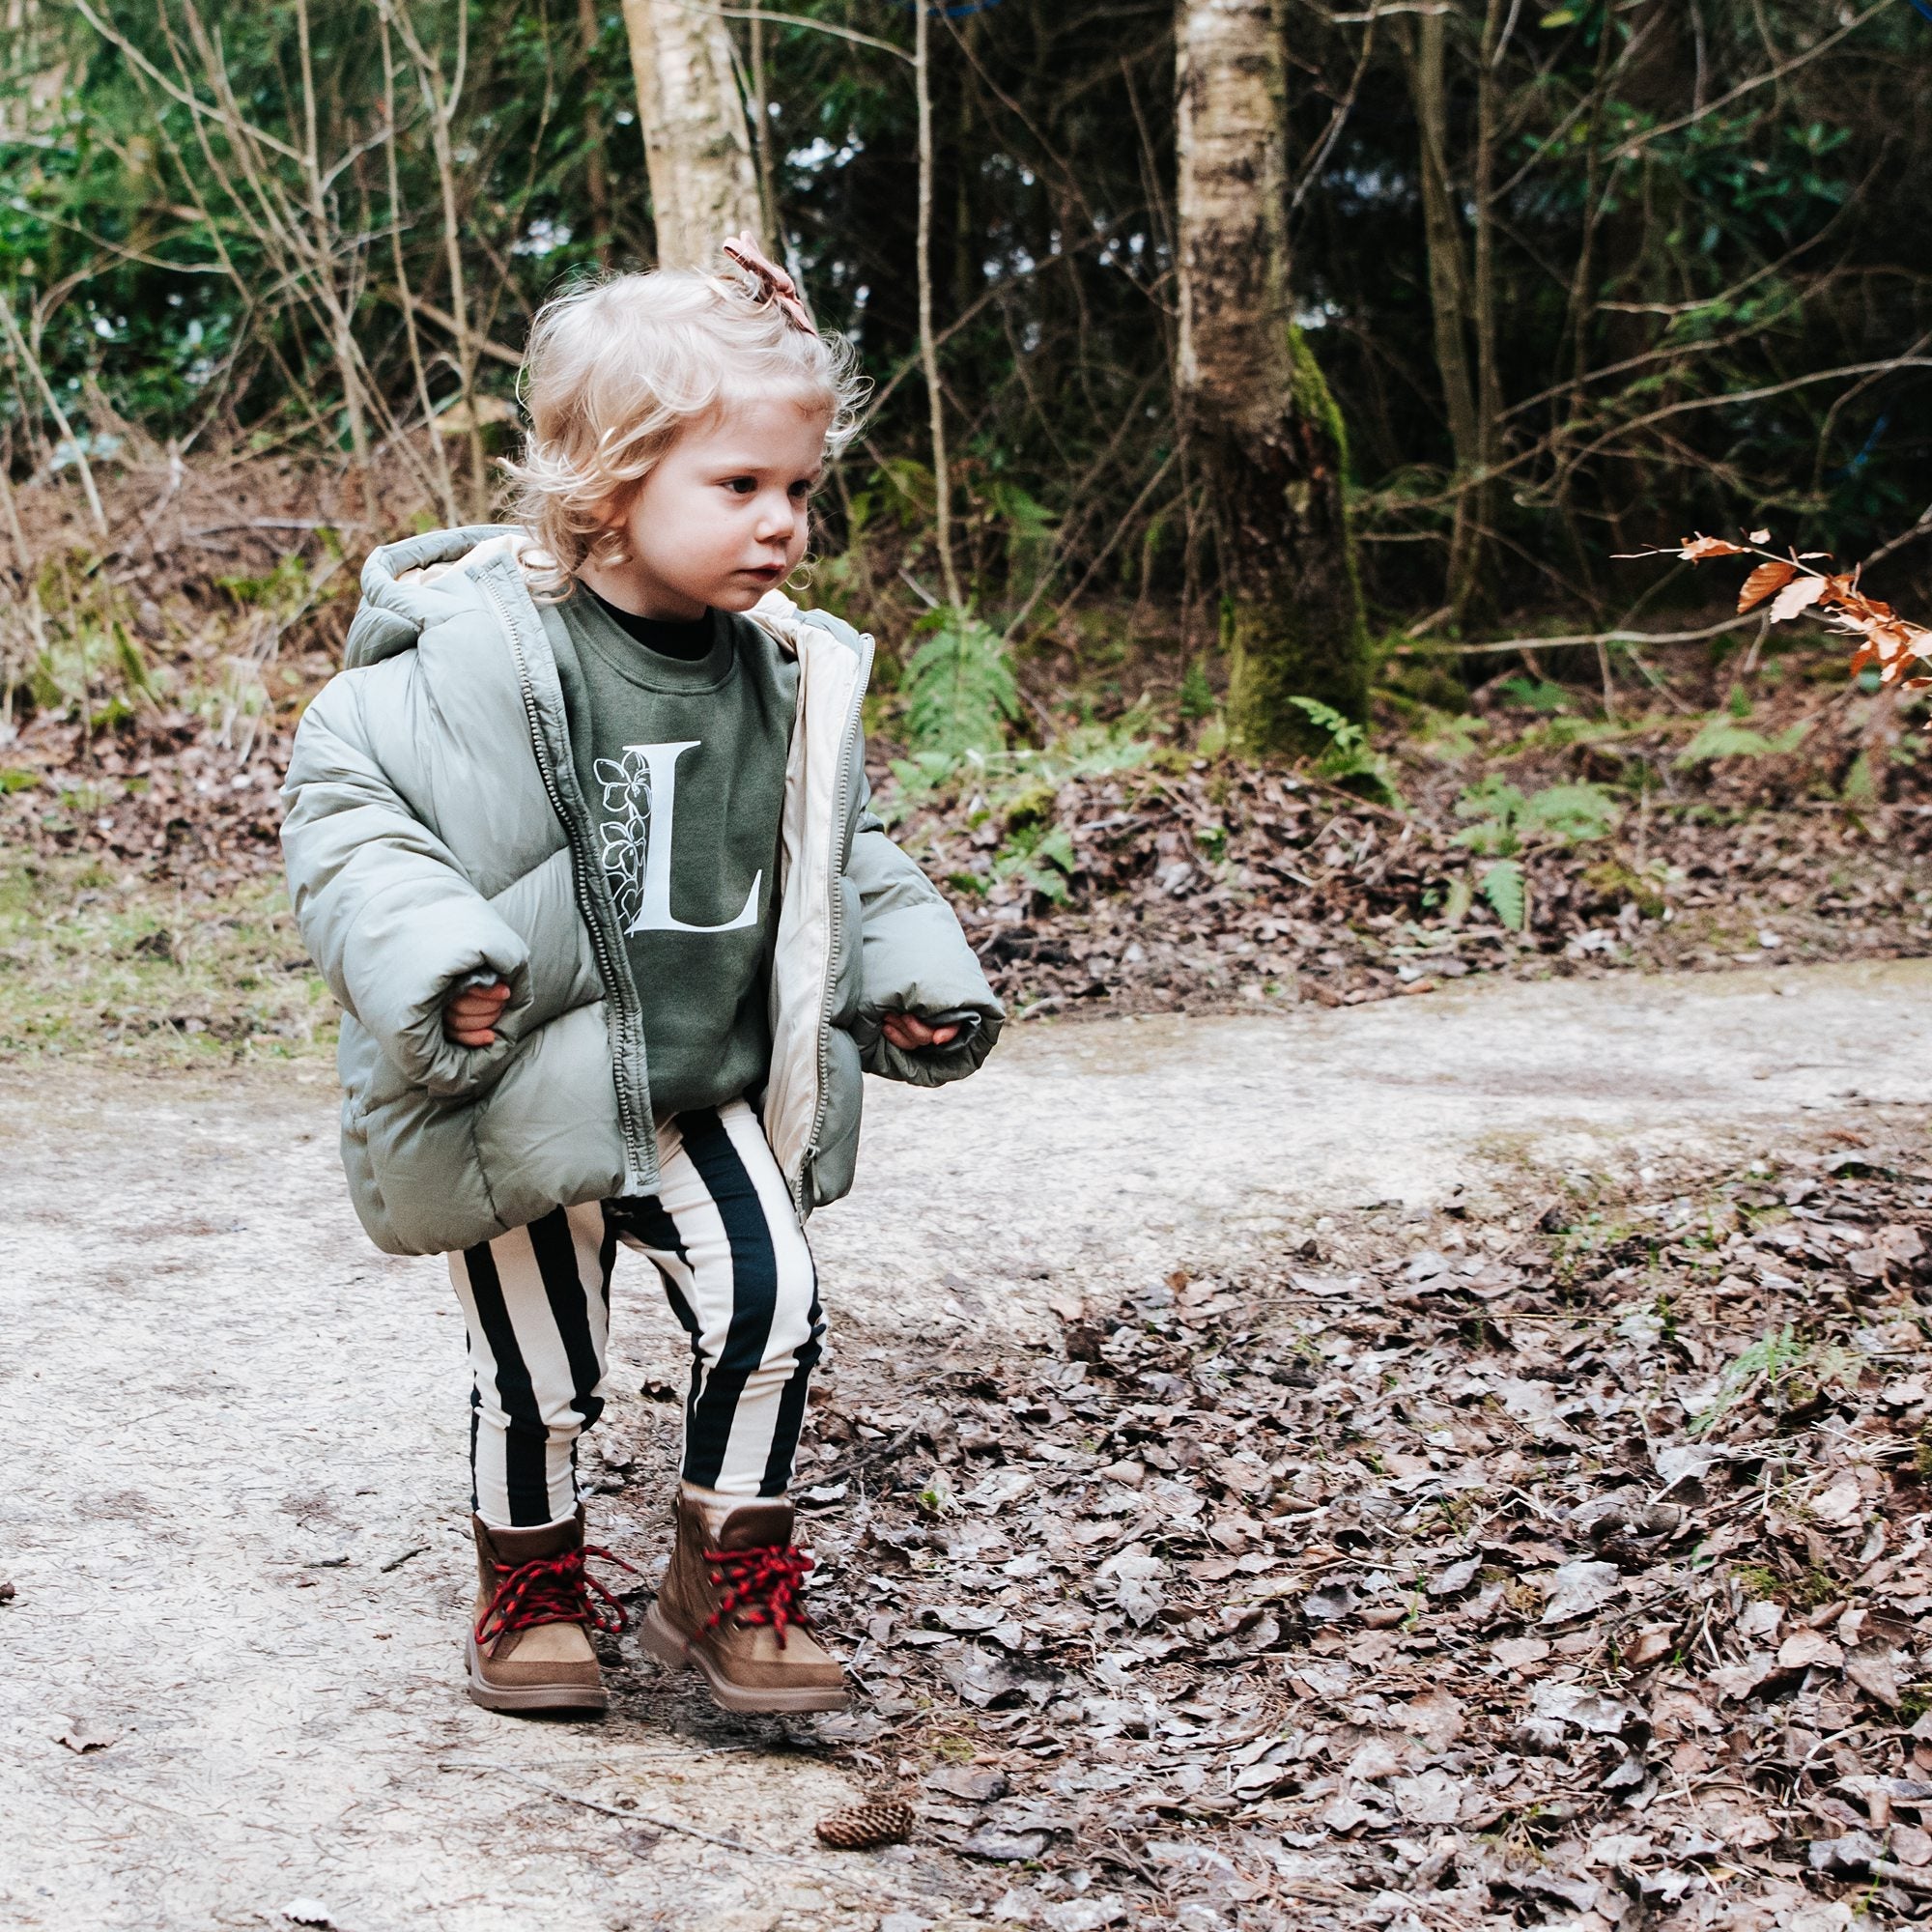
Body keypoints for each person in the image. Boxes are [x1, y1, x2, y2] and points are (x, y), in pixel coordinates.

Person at [280, 238, 1003, 1719]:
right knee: (539, 1365)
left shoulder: (779, 670)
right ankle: (530, 1584)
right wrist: (441, 965)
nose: (784, 525)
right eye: (738, 488)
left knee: (775, 1302)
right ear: (607, 486)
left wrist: (909, 977)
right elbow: (357, 820)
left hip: (703, 1084)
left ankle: (723, 1577)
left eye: (798, 489)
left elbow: (836, 849)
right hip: (530, 1076)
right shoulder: (478, 656)